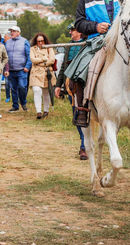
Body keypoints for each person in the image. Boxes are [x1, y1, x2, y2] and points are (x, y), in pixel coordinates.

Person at [55, 23, 87, 159]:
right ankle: (83, 141)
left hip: (84, 83)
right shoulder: (68, 46)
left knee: (84, 114)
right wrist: (58, 85)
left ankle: (84, 147)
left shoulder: (87, 44)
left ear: (80, 32)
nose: (70, 33)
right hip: (70, 86)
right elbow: (63, 66)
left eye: (72, 30)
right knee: (76, 115)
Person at [29, 33, 56, 119]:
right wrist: (44, 59)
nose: (40, 43)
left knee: (46, 92)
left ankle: (46, 110)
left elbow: (52, 60)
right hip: (36, 73)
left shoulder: (49, 48)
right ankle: (38, 111)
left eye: (42, 41)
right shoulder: (32, 49)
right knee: (37, 90)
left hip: (47, 72)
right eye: (38, 41)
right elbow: (33, 59)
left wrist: (41, 63)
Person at [5, 25, 32, 112]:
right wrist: (6, 69)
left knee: (22, 87)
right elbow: (5, 56)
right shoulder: (8, 42)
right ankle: (15, 106)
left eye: (14, 31)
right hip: (11, 70)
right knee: (13, 89)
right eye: (11, 31)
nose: (12, 33)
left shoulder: (25, 42)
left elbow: (29, 55)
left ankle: (23, 102)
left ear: (18, 32)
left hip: (22, 69)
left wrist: (27, 66)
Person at [3, 32, 12, 103]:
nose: (4, 38)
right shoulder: (4, 45)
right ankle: (8, 96)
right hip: (6, 67)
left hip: (14, 67)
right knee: (7, 83)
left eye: (5, 37)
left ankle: (16, 97)